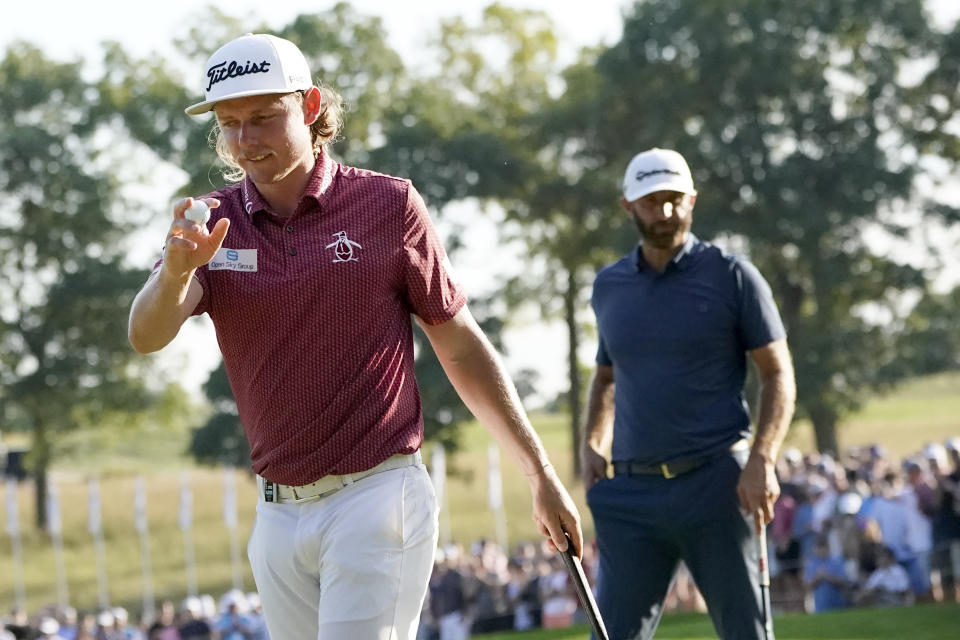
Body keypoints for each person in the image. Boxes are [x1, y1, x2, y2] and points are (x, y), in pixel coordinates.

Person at [127, 32, 581, 640]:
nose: (245, 141)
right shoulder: (210, 223)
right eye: (229, 124)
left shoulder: (387, 205)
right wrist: (178, 269)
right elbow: (147, 334)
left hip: (377, 493)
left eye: (263, 118)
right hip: (277, 514)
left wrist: (539, 471)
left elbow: (460, 344)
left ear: (311, 106)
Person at [580, 148, 796, 639]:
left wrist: (762, 456)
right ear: (628, 207)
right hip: (632, 492)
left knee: (746, 633)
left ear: (692, 199)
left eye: (675, 200)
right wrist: (592, 442)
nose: (666, 212)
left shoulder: (733, 275)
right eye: (652, 202)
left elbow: (777, 373)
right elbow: (606, 376)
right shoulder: (609, 286)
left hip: (717, 485)